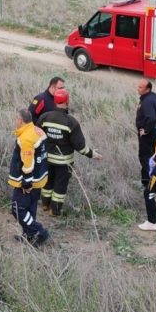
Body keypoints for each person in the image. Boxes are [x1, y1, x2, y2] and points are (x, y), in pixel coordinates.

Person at [38, 88, 96, 216]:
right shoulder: (71, 122)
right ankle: (55, 210)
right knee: (60, 186)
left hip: (46, 159)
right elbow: (79, 145)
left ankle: (45, 205)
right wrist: (92, 154)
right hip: (64, 162)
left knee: (47, 182)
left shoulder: (44, 117)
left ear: (54, 101)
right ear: (67, 101)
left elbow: (37, 136)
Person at [9, 109, 50, 247]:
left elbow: (28, 162)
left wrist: (26, 183)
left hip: (29, 182)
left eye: (16, 119)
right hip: (39, 179)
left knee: (17, 208)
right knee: (31, 207)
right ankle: (30, 236)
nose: (15, 121)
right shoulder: (38, 131)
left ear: (21, 120)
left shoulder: (26, 138)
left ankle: (39, 231)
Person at [135, 79, 156, 203]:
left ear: (147, 89)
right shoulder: (154, 97)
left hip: (148, 135)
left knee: (145, 158)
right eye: (138, 86)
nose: (138, 89)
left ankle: (149, 185)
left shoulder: (147, 102)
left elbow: (151, 118)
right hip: (155, 132)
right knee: (153, 158)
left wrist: (145, 130)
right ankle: (146, 180)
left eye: (140, 87)